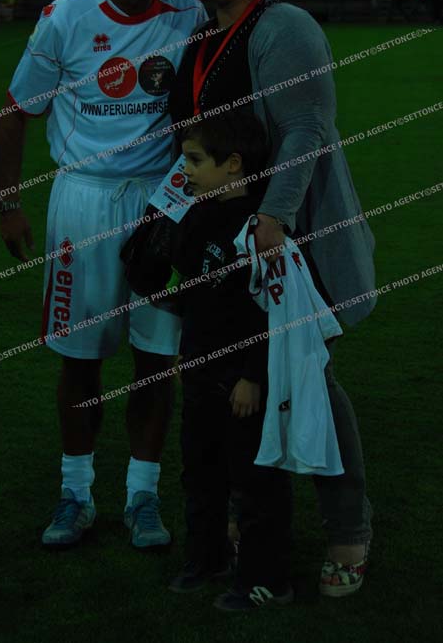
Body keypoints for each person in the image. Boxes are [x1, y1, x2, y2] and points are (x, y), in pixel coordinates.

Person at [168, 0, 375, 597]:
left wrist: (273, 219)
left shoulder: (285, 27)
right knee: (235, 379)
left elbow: (305, 129)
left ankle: (348, 529)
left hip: (287, 238)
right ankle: (246, 516)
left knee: (309, 376)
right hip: (227, 243)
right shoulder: (205, 35)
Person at [0, 0, 207, 551]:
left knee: (157, 359)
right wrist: (9, 205)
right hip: (81, 203)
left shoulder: (188, 13)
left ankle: (143, 497)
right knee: (80, 361)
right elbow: (16, 112)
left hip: (161, 203)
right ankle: (76, 494)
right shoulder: (64, 17)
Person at [167, 110, 294, 611]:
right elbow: (194, 297)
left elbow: (267, 309)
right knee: (200, 469)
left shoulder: (259, 228)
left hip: (241, 380)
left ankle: (268, 579)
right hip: (201, 369)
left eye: (196, 161)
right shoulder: (198, 215)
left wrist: (252, 376)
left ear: (234, 165)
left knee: (255, 478)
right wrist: (186, 356)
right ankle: (207, 557)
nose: (186, 171)